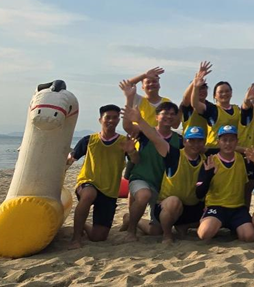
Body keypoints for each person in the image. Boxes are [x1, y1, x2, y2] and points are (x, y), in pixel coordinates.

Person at [120, 81, 183, 242]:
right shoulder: (145, 132)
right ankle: (131, 231)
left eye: (172, 114)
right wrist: (129, 98)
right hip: (141, 177)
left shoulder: (179, 140)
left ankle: (130, 219)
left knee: (156, 231)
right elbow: (128, 126)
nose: (169, 116)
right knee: (143, 195)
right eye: (165, 113)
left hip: (161, 186)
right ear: (156, 117)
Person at [67, 105, 138, 249]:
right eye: (108, 117)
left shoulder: (123, 142)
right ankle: (76, 238)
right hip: (87, 183)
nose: (111, 120)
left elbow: (136, 161)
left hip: (109, 191)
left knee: (98, 237)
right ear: (100, 120)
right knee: (88, 194)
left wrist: (131, 151)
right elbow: (70, 160)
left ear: (118, 120)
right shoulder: (88, 140)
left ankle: (83, 225)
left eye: (115, 117)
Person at [195, 125, 254, 242]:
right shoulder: (210, 161)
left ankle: (235, 226)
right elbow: (199, 193)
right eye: (224, 140)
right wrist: (208, 176)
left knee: (249, 236)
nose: (228, 143)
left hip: (237, 208)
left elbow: (249, 186)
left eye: (231, 140)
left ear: (237, 142)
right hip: (216, 206)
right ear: (218, 142)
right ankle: (211, 223)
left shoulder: (244, 161)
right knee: (204, 234)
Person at [152, 125, 207, 244]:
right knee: (156, 229)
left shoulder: (206, 159)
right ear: (184, 141)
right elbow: (156, 139)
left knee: (214, 216)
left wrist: (245, 150)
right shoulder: (174, 154)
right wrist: (139, 120)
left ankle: (182, 225)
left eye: (199, 141)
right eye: (191, 140)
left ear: (204, 143)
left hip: (191, 208)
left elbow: (225, 149)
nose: (195, 144)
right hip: (168, 206)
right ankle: (167, 235)